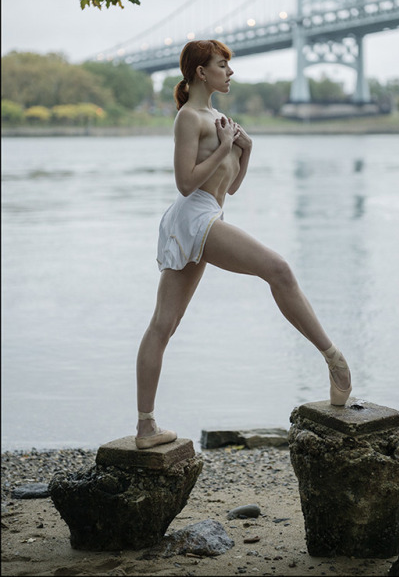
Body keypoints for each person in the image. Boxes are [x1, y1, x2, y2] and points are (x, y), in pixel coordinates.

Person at [135, 39, 351, 449]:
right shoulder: (189, 118)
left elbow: (228, 189)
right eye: (222, 65)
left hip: (209, 214)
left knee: (165, 324)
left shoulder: (218, 117)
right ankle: (335, 360)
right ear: (202, 72)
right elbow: (185, 183)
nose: (230, 72)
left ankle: (146, 428)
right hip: (192, 214)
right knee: (278, 269)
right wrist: (221, 149)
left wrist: (245, 151)